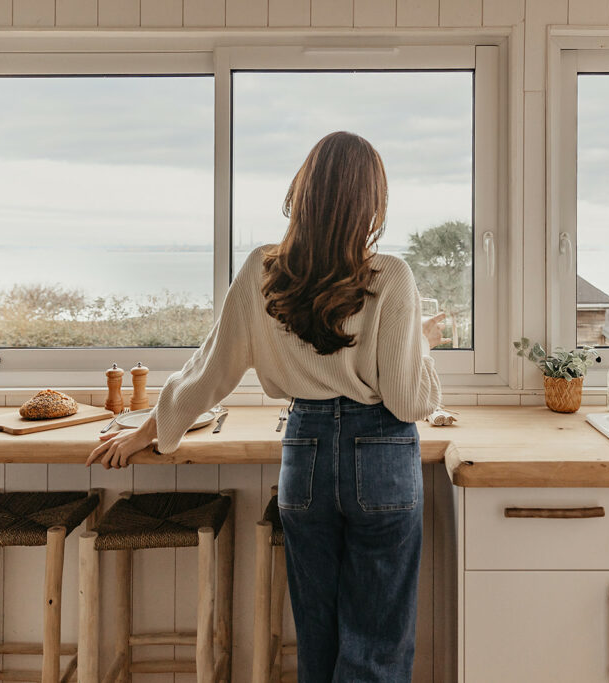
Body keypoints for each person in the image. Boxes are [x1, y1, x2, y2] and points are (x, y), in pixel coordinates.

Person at [87, 131, 445, 682]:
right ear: (371, 202)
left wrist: (152, 430)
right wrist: (418, 343)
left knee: (317, 633)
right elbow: (407, 400)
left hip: (303, 449)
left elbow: (211, 370)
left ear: (303, 193)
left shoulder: (262, 270)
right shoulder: (390, 276)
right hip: (382, 455)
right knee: (376, 641)